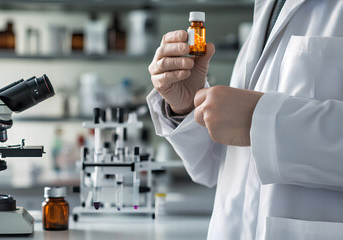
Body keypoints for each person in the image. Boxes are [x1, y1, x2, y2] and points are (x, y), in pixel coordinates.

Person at [147, 1, 343, 239]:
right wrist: (188, 106)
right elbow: (218, 166)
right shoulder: (269, 7)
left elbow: (254, 126)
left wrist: (259, 119)